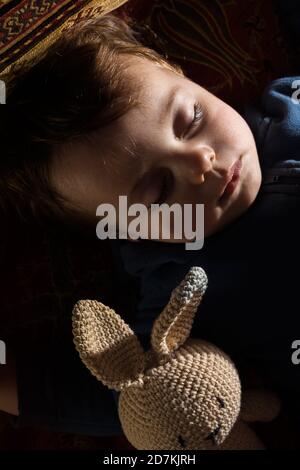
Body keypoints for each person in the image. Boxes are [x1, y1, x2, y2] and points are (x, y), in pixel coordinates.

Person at [1, 12, 299, 436]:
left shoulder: (287, 101)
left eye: (192, 118)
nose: (200, 162)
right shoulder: (181, 294)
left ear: (184, 75)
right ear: (125, 228)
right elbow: (124, 394)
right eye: (160, 190)